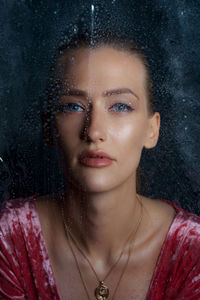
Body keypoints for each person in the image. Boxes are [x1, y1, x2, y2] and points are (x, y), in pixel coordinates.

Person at [1, 29, 200, 300]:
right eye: (73, 106)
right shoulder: (10, 237)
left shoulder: (192, 249)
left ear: (151, 130)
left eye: (120, 106)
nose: (93, 131)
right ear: (48, 128)